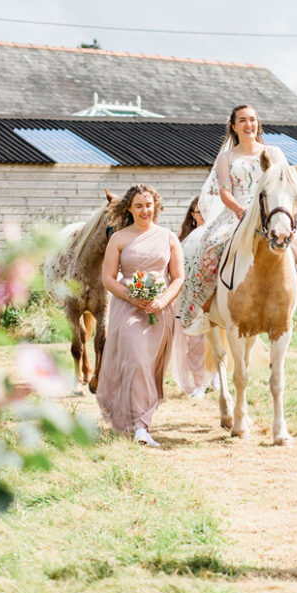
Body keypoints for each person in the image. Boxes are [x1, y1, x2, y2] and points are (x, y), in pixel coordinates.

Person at [180, 104, 297, 338]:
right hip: (238, 214)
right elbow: (225, 192)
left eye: (253, 120)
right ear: (234, 126)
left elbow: (285, 183)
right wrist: (239, 210)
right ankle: (204, 313)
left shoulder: (274, 153)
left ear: (258, 123)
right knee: (208, 249)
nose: (249, 125)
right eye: (243, 120)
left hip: (271, 214)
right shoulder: (227, 157)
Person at [96, 184, 184, 447]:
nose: (145, 210)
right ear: (130, 209)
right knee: (136, 359)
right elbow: (108, 279)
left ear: (155, 206)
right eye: (139, 206)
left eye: (148, 205)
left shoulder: (169, 237)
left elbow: (178, 277)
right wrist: (130, 296)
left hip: (160, 310)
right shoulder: (119, 238)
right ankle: (141, 427)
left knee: (147, 365)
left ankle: (139, 421)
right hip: (128, 307)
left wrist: (162, 300)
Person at [171, 197, 216, 399]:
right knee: (195, 341)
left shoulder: (216, 237)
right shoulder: (183, 239)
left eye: (206, 211)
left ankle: (215, 374)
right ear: (192, 215)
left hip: (213, 293)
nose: (202, 216)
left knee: (216, 337)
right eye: (198, 212)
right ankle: (199, 383)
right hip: (190, 296)